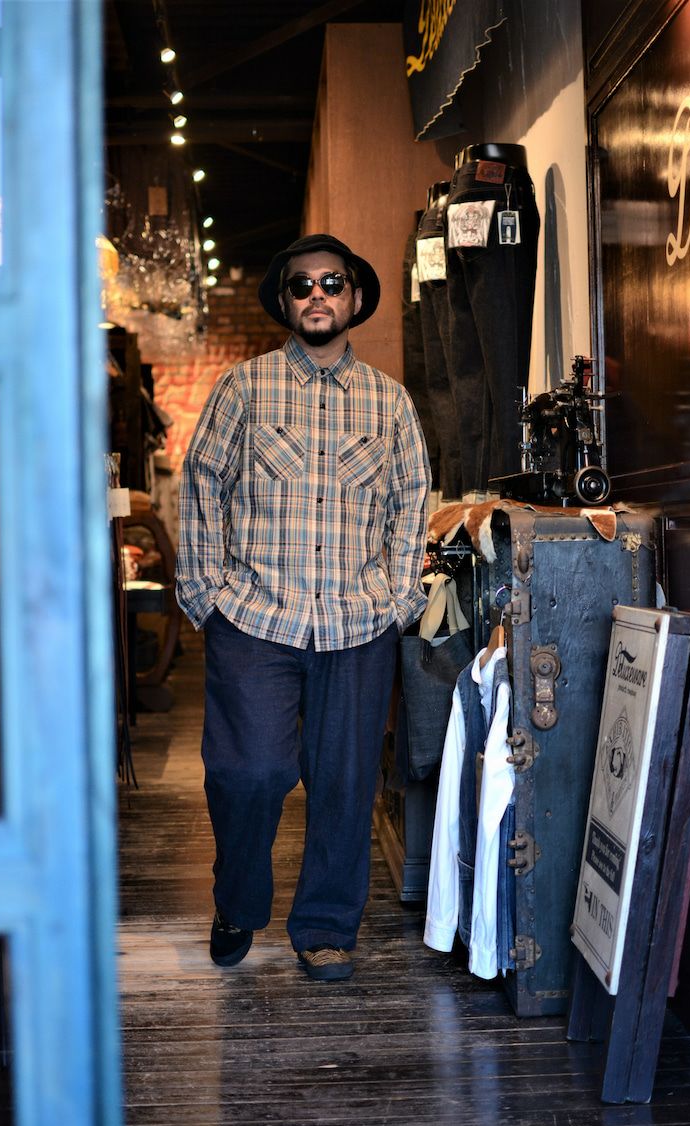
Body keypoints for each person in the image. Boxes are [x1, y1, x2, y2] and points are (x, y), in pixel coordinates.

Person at [176, 233, 431, 981]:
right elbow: (202, 485)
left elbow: (411, 502)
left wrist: (397, 600)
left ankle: (325, 926)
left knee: (345, 786)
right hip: (255, 617)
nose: (317, 295)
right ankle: (237, 901)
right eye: (301, 285)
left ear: (355, 297)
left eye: (332, 283)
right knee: (248, 771)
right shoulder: (243, 388)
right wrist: (207, 595)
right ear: (285, 302)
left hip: (357, 622)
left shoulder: (389, 401)